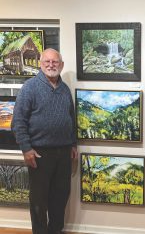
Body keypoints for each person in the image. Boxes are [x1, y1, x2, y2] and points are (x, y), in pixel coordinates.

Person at [12, 48, 78, 234]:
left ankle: (55, 231)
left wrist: (73, 144)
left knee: (60, 197)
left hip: (63, 153)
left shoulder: (64, 89)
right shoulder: (30, 88)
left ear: (61, 65)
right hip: (39, 154)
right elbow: (18, 121)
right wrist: (26, 149)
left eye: (55, 62)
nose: (51, 65)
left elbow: (70, 119)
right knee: (39, 202)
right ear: (40, 64)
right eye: (47, 62)